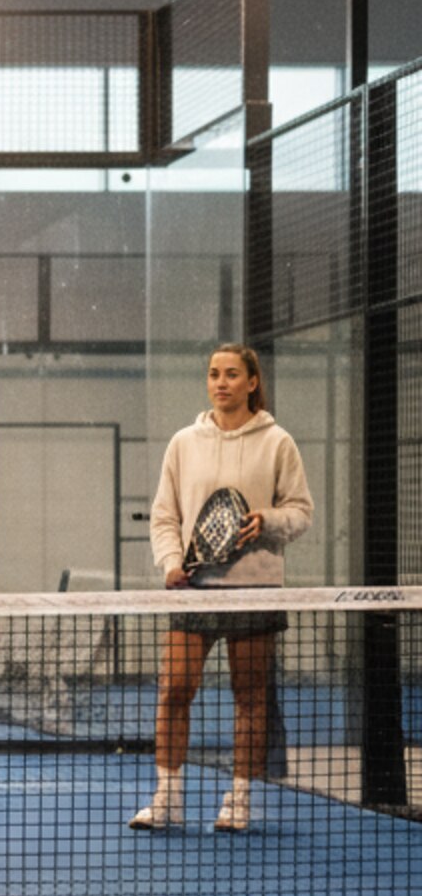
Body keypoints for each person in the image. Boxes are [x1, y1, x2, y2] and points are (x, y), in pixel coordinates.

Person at [130, 342, 312, 834]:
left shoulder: (278, 443)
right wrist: (171, 563)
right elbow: (166, 515)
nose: (221, 383)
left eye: (232, 374)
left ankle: (239, 801)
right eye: (213, 374)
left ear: (252, 382)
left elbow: (300, 512)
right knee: (173, 691)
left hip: (255, 589)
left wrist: (267, 522)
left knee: (250, 696)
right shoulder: (183, 443)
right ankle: (167, 800)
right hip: (195, 590)